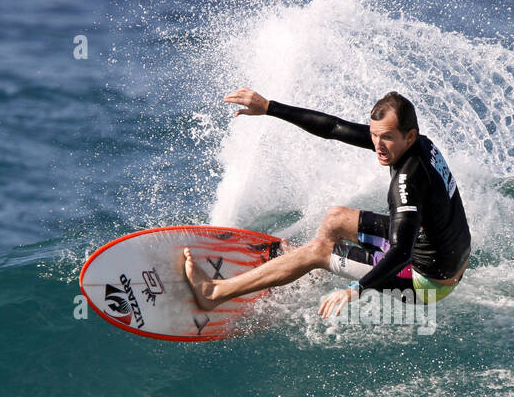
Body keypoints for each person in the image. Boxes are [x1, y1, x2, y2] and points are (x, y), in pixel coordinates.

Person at [183, 88, 471, 318]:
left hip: (428, 283)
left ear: (409, 136)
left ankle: (214, 294)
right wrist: (269, 107)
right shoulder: (418, 143)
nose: (378, 146)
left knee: (319, 250)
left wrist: (355, 290)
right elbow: (334, 127)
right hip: (445, 252)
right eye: (374, 136)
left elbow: (402, 252)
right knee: (336, 218)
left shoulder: (407, 182)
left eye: (386, 138)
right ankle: (307, 270)